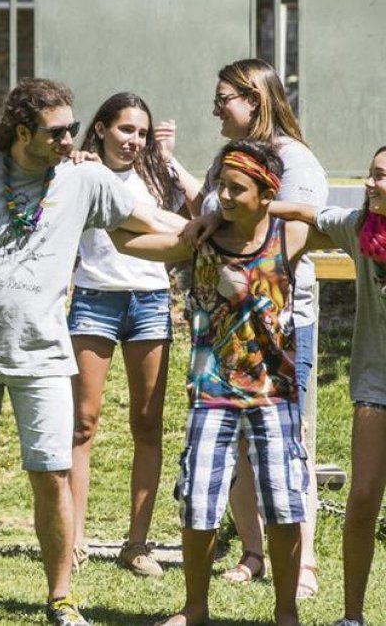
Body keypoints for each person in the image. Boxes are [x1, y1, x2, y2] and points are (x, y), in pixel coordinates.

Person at [0, 78, 182, 625]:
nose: (69, 139)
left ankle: (61, 598)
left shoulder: (84, 177)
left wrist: (215, 233)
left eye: (72, 130)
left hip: (43, 354)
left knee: (52, 475)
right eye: (57, 132)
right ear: (22, 131)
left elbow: (151, 222)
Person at [110, 140, 328, 626]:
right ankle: (195, 608)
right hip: (212, 394)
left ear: (265, 190)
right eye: (220, 186)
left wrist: (279, 205)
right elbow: (123, 239)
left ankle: (286, 610)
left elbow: (331, 218)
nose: (222, 197)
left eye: (236, 188)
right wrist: (96, 195)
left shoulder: (287, 236)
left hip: (275, 394)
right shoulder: (201, 240)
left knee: (284, 503)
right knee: (199, 501)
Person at [200, 59, 325, 599]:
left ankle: (304, 564)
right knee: (235, 444)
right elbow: (208, 213)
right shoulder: (225, 159)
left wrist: (242, 218)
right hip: (222, 323)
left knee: (284, 443)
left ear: (255, 98)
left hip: (280, 323)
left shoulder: (294, 159)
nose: (215, 107)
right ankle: (254, 552)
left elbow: (301, 224)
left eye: (224, 96)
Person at [67, 92, 200, 577]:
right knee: (82, 424)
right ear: (100, 129)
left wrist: (169, 158)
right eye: (126, 130)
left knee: (147, 424)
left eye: (141, 133)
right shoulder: (81, 170)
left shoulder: (155, 174)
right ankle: (74, 539)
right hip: (94, 299)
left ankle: (137, 544)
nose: (134, 141)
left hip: (148, 302)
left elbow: (201, 211)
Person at [266, 146, 386, 626]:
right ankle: (353, 615)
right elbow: (303, 210)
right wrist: (248, 203)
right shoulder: (360, 227)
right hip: (375, 385)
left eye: (381, 177)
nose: (370, 184)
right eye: (371, 174)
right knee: (361, 498)